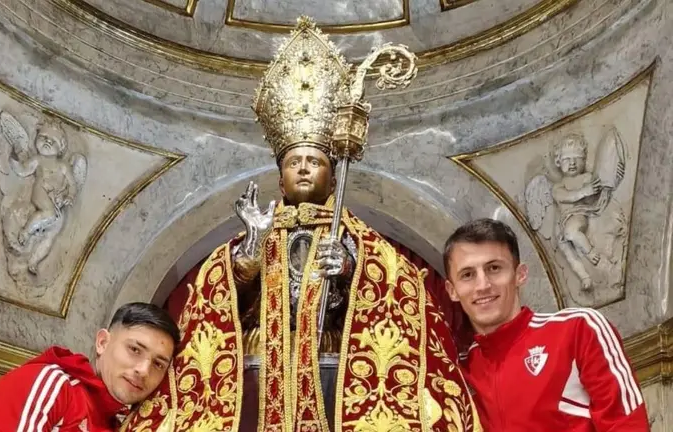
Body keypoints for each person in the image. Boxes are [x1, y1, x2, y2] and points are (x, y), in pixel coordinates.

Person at [121, 16, 482, 432]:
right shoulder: (257, 232)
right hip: (262, 357)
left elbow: (398, 297)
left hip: (334, 355)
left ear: (332, 176)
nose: (306, 169)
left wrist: (350, 268)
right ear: (280, 177)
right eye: (295, 162)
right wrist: (248, 257)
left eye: (315, 162)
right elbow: (214, 305)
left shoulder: (356, 238)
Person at [443, 218, 649, 431]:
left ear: (520, 275)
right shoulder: (459, 371)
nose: (483, 285)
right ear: (452, 290)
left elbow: (627, 424)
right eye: (467, 275)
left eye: (494, 268)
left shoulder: (578, 329)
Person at [0, 302, 180, 432]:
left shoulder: (120, 424)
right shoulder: (54, 385)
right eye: (135, 350)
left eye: (158, 364)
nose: (144, 370)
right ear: (102, 342)